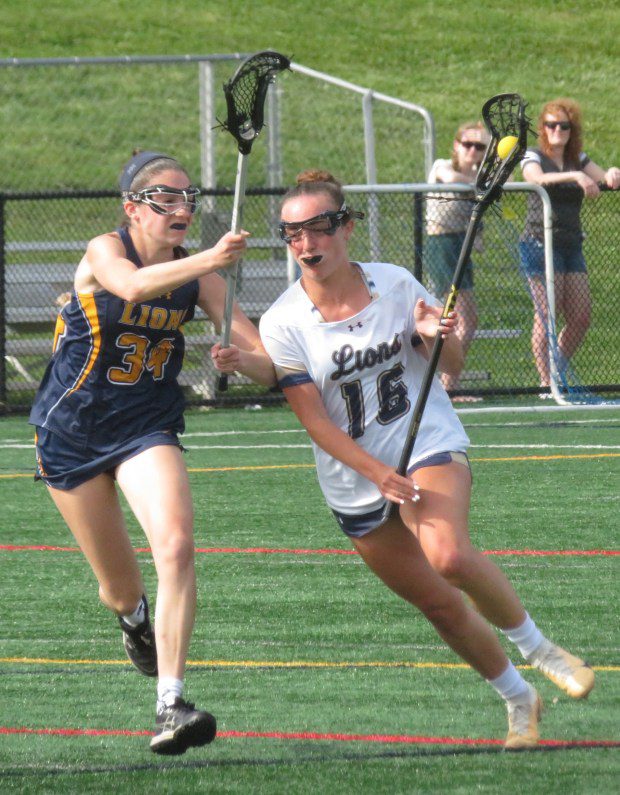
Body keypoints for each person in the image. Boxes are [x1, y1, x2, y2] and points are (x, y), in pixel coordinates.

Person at [216, 169, 595, 749]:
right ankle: (520, 699)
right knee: (439, 606)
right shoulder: (283, 321)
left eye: (318, 228)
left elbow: (452, 366)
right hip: (356, 477)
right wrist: (375, 475)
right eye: (293, 234)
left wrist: (434, 335)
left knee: (446, 555)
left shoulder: (393, 283)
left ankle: (542, 650)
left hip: (425, 440)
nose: (306, 244)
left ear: (345, 227)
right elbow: (315, 420)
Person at [29, 150, 276, 755]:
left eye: (188, 197)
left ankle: (170, 702)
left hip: (146, 426)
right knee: (118, 588)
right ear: (132, 208)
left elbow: (269, 367)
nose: (182, 207)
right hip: (73, 431)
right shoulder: (104, 251)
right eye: (166, 197)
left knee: (177, 543)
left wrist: (238, 360)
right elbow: (133, 286)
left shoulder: (204, 279)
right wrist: (211, 257)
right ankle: (134, 620)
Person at [519, 98, 620, 395]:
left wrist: (612, 173)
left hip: (570, 243)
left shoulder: (579, 158)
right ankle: (543, 381)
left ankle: (556, 372)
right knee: (548, 311)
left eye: (564, 126)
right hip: (539, 242)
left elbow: (606, 180)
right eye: (551, 125)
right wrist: (575, 176)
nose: (558, 131)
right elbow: (534, 178)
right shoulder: (533, 154)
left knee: (580, 315)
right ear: (543, 128)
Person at [425, 122, 490, 400]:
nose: (473, 151)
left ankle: (449, 384)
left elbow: (476, 217)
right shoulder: (443, 166)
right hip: (441, 243)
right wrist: (481, 185)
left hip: (460, 245)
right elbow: (450, 179)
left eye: (480, 147)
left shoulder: (478, 177)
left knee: (468, 319)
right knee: (461, 317)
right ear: (456, 145)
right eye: (468, 144)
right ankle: (446, 387)